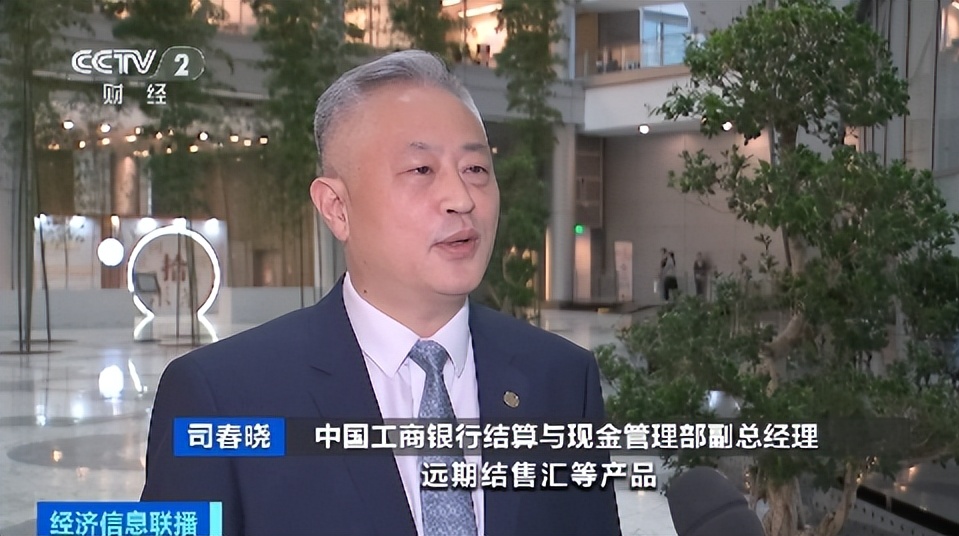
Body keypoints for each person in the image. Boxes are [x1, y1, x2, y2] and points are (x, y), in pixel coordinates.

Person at [141, 50, 621, 536]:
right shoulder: (222, 398)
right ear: (337, 207)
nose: (461, 199)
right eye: (421, 170)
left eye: (476, 169)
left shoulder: (561, 379)